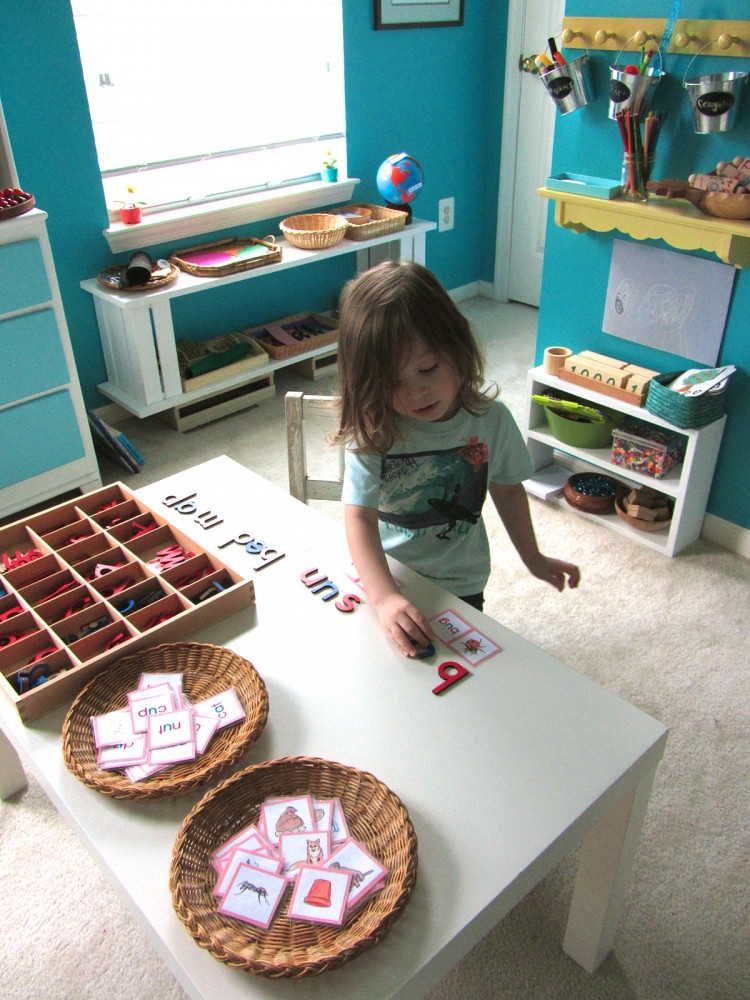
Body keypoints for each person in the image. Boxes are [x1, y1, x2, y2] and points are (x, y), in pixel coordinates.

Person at [333, 260, 580, 658]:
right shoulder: (373, 426)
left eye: (427, 369)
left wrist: (532, 557)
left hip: (461, 579)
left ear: (457, 345)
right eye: (391, 383)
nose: (416, 394)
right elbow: (358, 516)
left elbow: (508, 490)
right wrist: (383, 598)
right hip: (386, 573)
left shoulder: (491, 420)